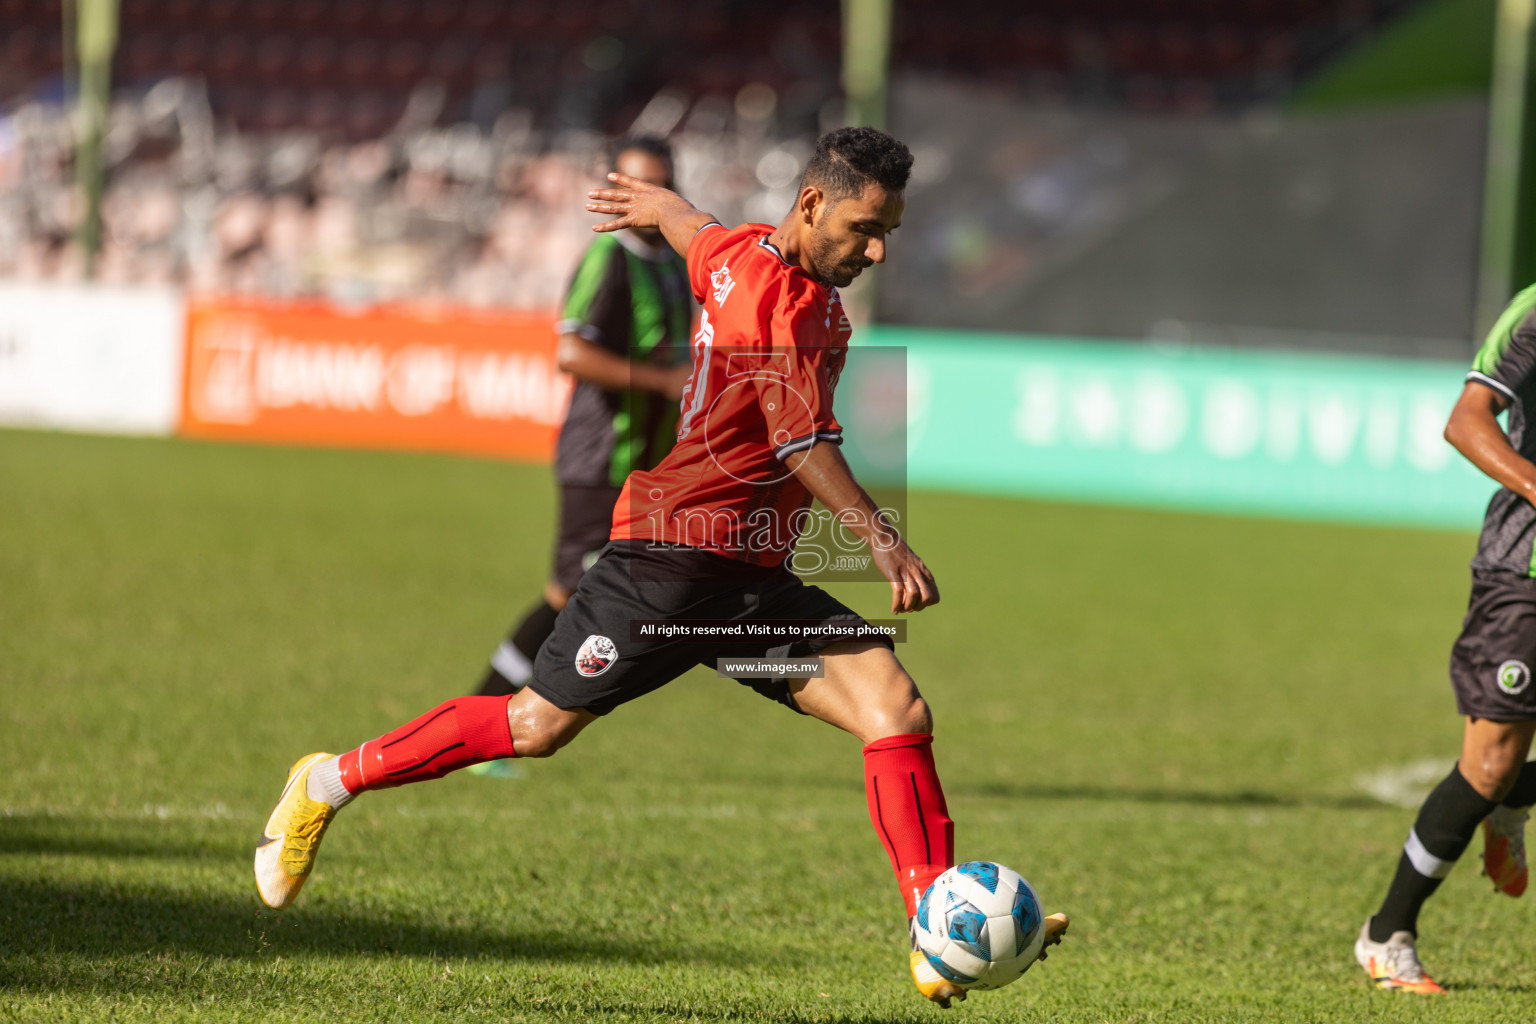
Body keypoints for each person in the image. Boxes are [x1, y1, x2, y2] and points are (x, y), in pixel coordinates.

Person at [254, 126, 1069, 1007]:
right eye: (864, 229)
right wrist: (881, 538)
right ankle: (327, 780)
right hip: (669, 565)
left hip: (749, 586)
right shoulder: (777, 302)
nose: (875, 250)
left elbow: (695, 228)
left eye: (889, 234)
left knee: (895, 708)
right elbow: (801, 441)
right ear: (812, 204)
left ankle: (933, 932)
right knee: (535, 727)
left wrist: (659, 205)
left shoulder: (739, 254)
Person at [1355, 282, 1536, 993]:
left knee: (1501, 772)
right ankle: (1385, 933)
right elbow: (1467, 422)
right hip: (1525, 573)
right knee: (1487, 766)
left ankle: (1513, 797)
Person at [477, 135, 693, 701]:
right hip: (600, 458)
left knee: (658, 588)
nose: (645, 198)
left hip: (651, 462)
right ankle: (486, 710)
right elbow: (570, 352)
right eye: (631, 186)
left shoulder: (675, 263)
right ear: (610, 194)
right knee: (570, 593)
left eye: (658, 184)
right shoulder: (607, 259)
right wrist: (664, 381)